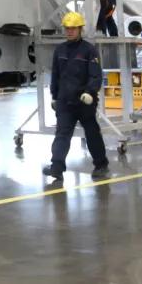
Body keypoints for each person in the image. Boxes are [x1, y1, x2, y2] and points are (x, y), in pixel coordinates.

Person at [43, 12, 110, 181]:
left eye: (73, 28)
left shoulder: (89, 50)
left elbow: (95, 75)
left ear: (80, 29)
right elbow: (55, 75)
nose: (69, 31)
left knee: (92, 133)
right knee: (62, 134)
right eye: (67, 28)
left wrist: (89, 92)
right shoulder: (60, 50)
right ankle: (57, 167)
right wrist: (54, 96)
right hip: (65, 101)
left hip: (84, 101)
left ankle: (101, 164)